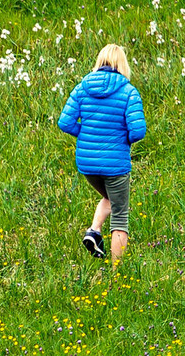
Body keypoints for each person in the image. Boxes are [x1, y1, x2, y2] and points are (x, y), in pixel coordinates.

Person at [58, 44, 146, 263]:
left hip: (87, 165)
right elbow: (138, 131)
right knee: (120, 216)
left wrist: (86, 136)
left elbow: (65, 122)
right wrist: (121, 140)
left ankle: (94, 231)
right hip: (115, 164)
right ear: (122, 63)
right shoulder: (128, 91)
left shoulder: (82, 88)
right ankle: (118, 275)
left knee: (108, 197)